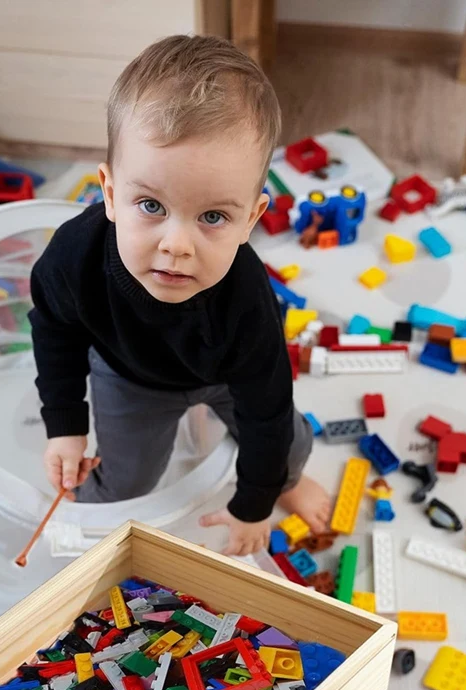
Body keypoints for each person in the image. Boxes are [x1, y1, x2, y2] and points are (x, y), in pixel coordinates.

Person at [29, 35, 331, 556]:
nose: (176, 246)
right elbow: (54, 331)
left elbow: (266, 409)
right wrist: (66, 427)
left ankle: (286, 482)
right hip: (128, 376)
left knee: (288, 441)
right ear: (110, 193)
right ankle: (90, 523)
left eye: (213, 217)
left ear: (251, 221)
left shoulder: (248, 301)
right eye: (149, 205)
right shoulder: (74, 257)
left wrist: (255, 502)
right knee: (125, 481)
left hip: (222, 378)